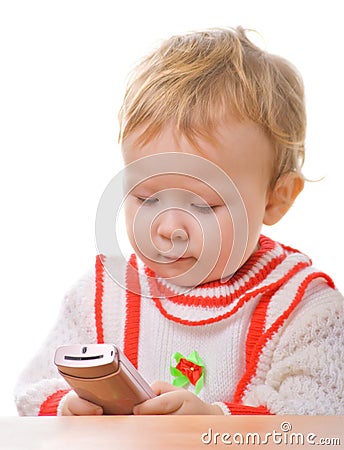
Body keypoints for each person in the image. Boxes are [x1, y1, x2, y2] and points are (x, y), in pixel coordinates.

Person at [15, 27, 344, 416]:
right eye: (147, 198)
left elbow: (319, 417)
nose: (169, 228)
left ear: (277, 198)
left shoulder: (303, 308)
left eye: (203, 205)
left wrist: (214, 423)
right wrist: (65, 408)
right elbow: (33, 390)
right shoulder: (103, 297)